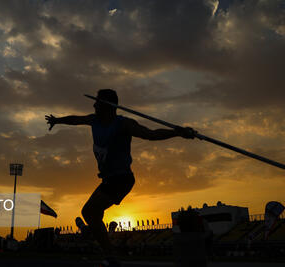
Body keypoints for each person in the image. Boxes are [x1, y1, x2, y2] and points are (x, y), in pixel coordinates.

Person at [45, 89, 196, 266]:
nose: (93, 105)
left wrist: (177, 132)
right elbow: (75, 120)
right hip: (108, 179)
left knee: (89, 212)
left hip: (121, 179)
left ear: (108, 106)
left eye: (97, 102)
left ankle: (108, 252)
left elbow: (151, 134)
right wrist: (57, 120)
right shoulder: (94, 120)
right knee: (92, 214)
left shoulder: (124, 124)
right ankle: (101, 242)